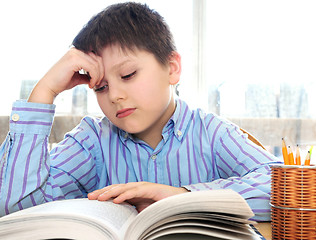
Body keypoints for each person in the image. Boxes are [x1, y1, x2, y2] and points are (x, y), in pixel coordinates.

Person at [0, 2, 280, 221]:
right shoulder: (91, 141)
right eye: (100, 87)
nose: (115, 95)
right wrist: (44, 92)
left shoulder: (211, 133)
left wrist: (182, 196)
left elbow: (287, 185)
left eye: (129, 74)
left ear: (172, 68)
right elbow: (16, 208)